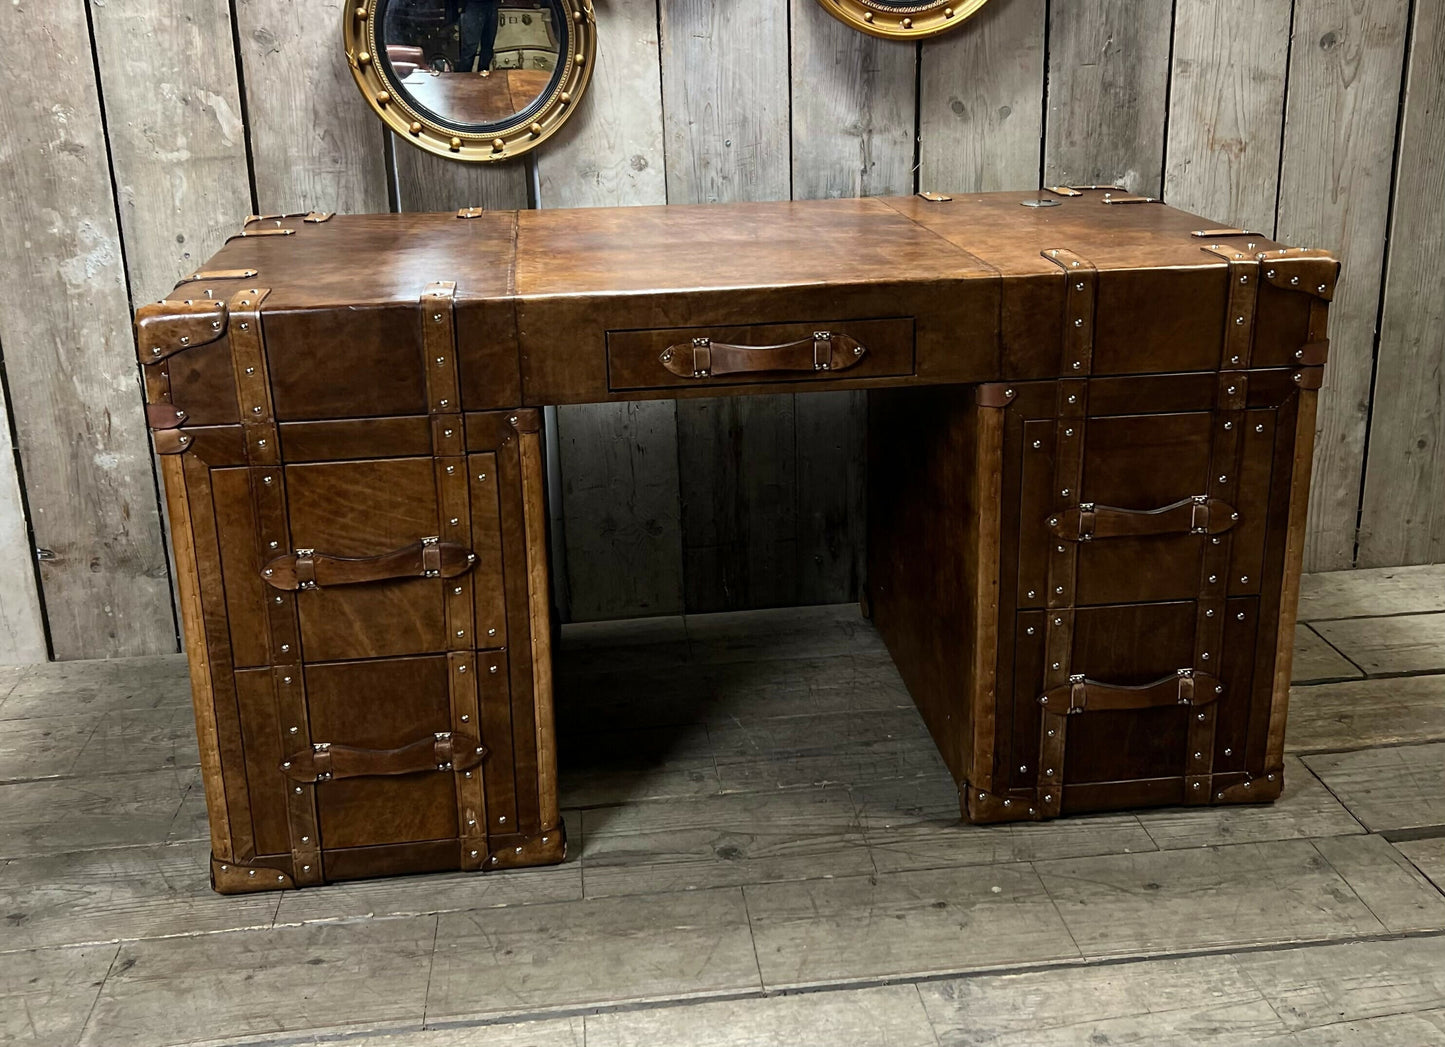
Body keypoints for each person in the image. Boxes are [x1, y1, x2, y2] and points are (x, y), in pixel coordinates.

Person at [458, 0, 501, 74]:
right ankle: (464, 79)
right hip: (473, 5)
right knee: (469, 51)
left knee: (487, 49)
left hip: (491, 4)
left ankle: (483, 78)